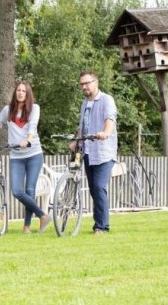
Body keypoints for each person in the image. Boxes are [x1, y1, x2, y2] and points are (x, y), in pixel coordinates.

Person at [0, 81, 50, 234]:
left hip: (33, 154)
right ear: (15, 92)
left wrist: (28, 140)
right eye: (18, 90)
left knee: (30, 189)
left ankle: (26, 227)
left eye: (23, 91)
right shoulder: (8, 110)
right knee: (17, 191)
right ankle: (43, 215)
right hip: (16, 156)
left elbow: (33, 125)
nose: (20, 93)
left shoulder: (34, 109)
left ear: (28, 93)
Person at [70, 71, 118, 235]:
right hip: (88, 151)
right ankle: (98, 223)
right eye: (82, 84)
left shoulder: (106, 100)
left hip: (104, 152)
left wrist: (105, 132)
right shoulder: (84, 103)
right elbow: (82, 126)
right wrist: (76, 140)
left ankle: (102, 226)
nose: (84, 86)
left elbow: (109, 119)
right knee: (93, 189)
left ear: (95, 82)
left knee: (99, 187)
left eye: (87, 83)